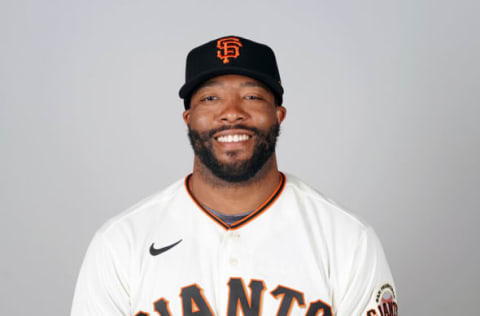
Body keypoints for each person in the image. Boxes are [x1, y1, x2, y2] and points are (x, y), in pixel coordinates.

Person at [71, 35, 398, 316]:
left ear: (278, 115)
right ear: (188, 117)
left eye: (252, 96)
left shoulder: (347, 240)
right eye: (210, 98)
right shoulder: (120, 244)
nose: (231, 112)